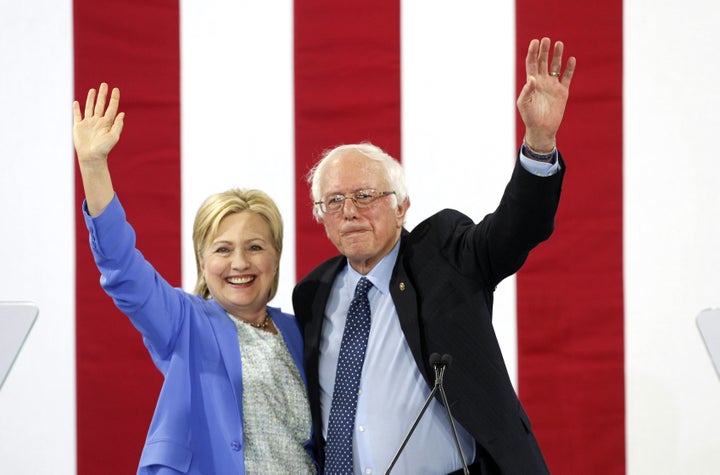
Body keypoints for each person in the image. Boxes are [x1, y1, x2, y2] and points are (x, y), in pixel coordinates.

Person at [292, 37, 576, 474]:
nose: (349, 212)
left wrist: (539, 143)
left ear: (402, 205)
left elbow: (515, 231)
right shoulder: (312, 293)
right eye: (333, 201)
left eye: (365, 196)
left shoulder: (444, 254)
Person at [73, 83, 317, 474]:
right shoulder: (184, 322)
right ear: (202, 262)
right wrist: (93, 166)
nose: (240, 262)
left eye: (255, 247)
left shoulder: (302, 332)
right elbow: (121, 267)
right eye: (222, 249)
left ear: (276, 255)